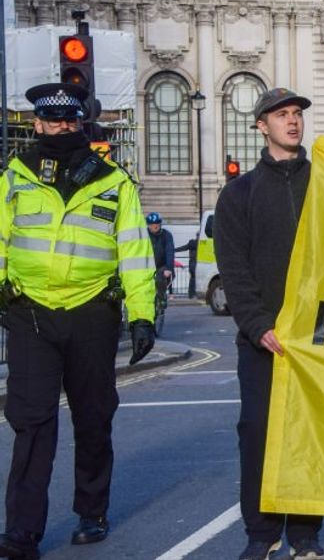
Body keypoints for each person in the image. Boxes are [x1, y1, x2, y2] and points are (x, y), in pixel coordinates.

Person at [0, 83, 156, 559]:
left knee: (93, 418)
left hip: (93, 313)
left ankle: (92, 510)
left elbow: (133, 250)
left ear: (81, 125)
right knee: (32, 423)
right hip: (30, 313)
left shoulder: (113, 181)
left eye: (70, 121)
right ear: (37, 125)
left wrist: (143, 314)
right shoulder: (15, 175)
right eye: (53, 121)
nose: (62, 128)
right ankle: (22, 532)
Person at [214, 87, 324, 560]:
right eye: (282, 115)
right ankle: (261, 532)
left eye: (297, 114)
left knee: (310, 435)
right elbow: (234, 271)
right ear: (262, 125)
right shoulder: (239, 194)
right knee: (257, 435)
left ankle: (305, 534)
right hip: (263, 339)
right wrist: (259, 326)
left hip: (317, 337)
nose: (293, 121)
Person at [147, 212, 175, 302]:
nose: (155, 226)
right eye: (152, 224)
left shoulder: (166, 235)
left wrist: (169, 268)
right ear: (148, 225)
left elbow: (169, 251)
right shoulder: (144, 235)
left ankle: (161, 299)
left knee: (160, 279)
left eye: (157, 223)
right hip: (147, 266)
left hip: (162, 266)